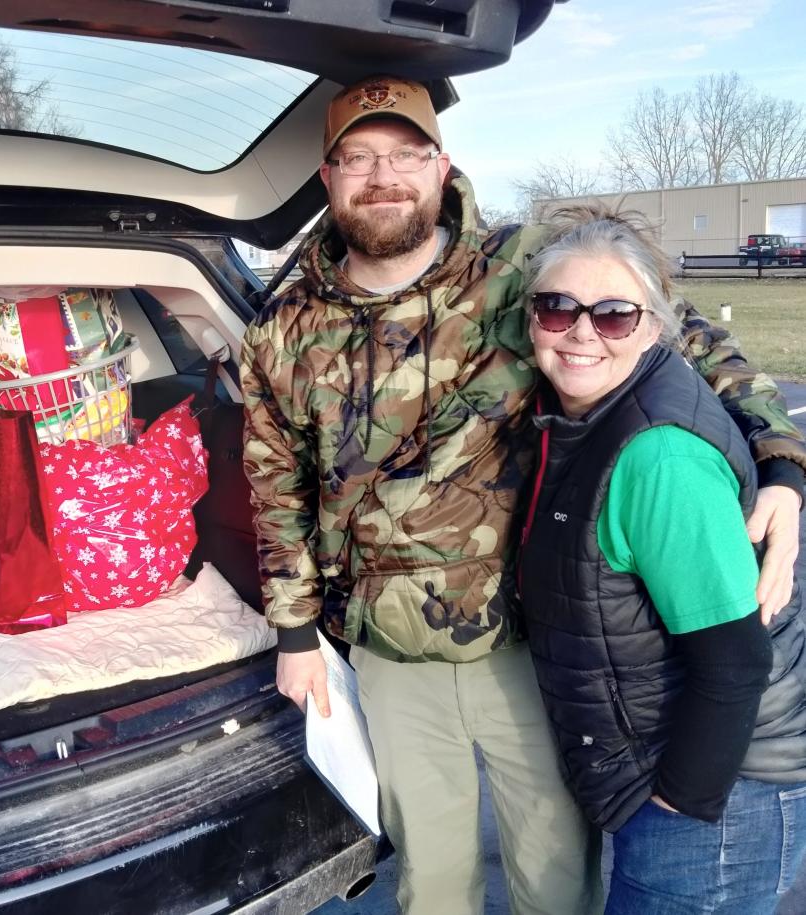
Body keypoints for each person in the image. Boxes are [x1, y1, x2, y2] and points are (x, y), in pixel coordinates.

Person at [239, 75, 806, 914]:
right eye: (357, 157)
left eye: (405, 154)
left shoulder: (525, 272)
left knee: (553, 867)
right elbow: (275, 479)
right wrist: (293, 631)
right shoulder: (281, 328)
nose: (382, 175)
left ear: (442, 167)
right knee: (429, 879)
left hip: (534, 640)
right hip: (391, 651)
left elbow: (689, 339)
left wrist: (786, 470)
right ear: (328, 178)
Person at [517, 204, 806, 913]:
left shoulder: (658, 455)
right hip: (683, 774)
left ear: (654, 326)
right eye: (556, 308)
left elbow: (736, 659)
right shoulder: (592, 417)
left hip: (715, 798)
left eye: (613, 314)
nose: (581, 331)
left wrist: (681, 801)